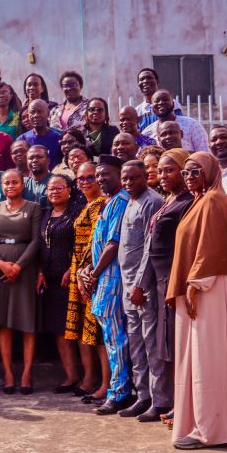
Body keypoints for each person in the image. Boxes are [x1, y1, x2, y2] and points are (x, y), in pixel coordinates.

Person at [169, 152, 227, 450]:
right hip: (201, 284)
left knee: (208, 357)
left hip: (208, 286)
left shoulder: (214, 201)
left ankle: (212, 429)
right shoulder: (201, 200)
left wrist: (197, 283)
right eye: (186, 172)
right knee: (201, 357)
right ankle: (212, 423)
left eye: (196, 171)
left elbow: (213, 248)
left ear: (210, 172)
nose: (190, 177)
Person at [131, 148, 193, 423]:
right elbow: (150, 246)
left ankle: (179, 403)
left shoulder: (188, 202)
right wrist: (142, 282)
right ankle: (167, 401)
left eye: (170, 170)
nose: (163, 175)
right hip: (158, 281)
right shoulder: (170, 199)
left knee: (176, 343)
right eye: (160, 171)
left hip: (174, 281)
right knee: (163, 343)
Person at [81, 155, 133, 415]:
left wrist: (94, 273)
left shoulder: (121, 201)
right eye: (98, 174)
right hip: (102, 278)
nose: (101, 179)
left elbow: (113, 244)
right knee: (111, 337)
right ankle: (118, 389)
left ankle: (120, 393)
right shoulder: (107, 201)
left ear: (119, 175)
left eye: (106, 174)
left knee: (116, 339)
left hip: (113, 279)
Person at [0, 170, 43, 394]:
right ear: (1, 186)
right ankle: (8, 373)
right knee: (4, 322)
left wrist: (18, 266)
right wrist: (1, 264)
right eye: (6, 182)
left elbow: (36, 240)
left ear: (22, 184)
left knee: (27, 321)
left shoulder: (33, 208)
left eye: (15, 182)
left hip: (25, 269)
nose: (10, 186)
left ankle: (26, 373)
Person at [115, 160, 165, 419]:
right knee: (135, 343)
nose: (128, 183)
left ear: (145, 176)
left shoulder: (152, 201)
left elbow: (149, 247)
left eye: (133, 178)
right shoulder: (130, 200)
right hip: (127, 284)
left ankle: (159, 400)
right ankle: (142, 396)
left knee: (151, 344)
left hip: (143, 288)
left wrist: (139, 284)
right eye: (125, 178)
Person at [67, 162, 110, 404]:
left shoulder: (101, 204)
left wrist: (86, 272)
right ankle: (90, 378)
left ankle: (106, 384)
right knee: (85, 330)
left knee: (99, 331)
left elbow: (97, 241)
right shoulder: (86, 205)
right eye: (80, 179)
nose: (85, 182)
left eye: (90, 177)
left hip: (92, 272)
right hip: (79, 271)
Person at [39, 174, 82, 393]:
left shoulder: (77, 213)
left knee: (75, 330)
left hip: (71, 281)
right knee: (59, 331)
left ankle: (88, 377)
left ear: (69, 190)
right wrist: (39, 271)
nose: (55, 191)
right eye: (51, 188)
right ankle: (70, 376)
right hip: (50, 282)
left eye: (60, 187)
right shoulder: (44, 214)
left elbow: (81, 244)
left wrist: (72, 269)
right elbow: (39, 245)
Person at [143, 90, 209, 152]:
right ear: (151, 107)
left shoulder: (192, 125)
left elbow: (204, 152)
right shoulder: (147, 133)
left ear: (173, 104)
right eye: (156, 101)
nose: (161, 103)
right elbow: (143, 155)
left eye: (165, 99)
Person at [21, 99, 64, 168]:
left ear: (48, 114)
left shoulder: (60, 137)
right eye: (32, 112)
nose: (36, 115)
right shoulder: (22, 140)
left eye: (39, 111)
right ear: (29, 116)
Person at [23, 145, 52, 210]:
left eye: (39, 157)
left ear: (48, 161)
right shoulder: (23, 184)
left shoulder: (56, 182)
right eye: (31, 158)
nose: (34, 160)